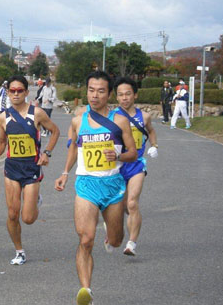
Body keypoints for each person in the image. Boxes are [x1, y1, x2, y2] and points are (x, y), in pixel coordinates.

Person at [54, 71, 137, 305]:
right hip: (86, 185)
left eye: (101, 91)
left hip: (113, 187)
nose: (95, 95)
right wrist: (64, 173)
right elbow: (73, 148)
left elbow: (132, 153)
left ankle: (110, 237)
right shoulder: (78, 120)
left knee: (117, 240)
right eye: (91, 90)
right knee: (86, 239)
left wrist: (118, 153)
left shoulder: (120, 120)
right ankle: (86, 291)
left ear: (109, 93)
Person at [0, 75, 60, 266]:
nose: (15, 94)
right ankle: (19, 251)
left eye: (20, 90)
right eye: (12, 90)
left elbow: (55, 131)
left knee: (28, 218)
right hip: (12, 168)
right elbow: (2, 142)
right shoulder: (3, 117)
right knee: (13, 214)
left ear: (26, 92)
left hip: (31, 169)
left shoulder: (36, 113)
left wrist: (46, 153)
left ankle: (35, 200)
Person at [114, 77, 158, 256]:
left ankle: (132, 243)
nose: (124, 98)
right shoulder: (112, 117)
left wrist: (154, 146)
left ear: (135, 95)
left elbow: (151, 131)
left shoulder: (144, 116)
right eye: (120, 95)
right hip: (117, 166)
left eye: (128, 94)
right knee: (122, 206)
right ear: (116, 97)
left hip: (137, 165)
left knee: (132, 203)